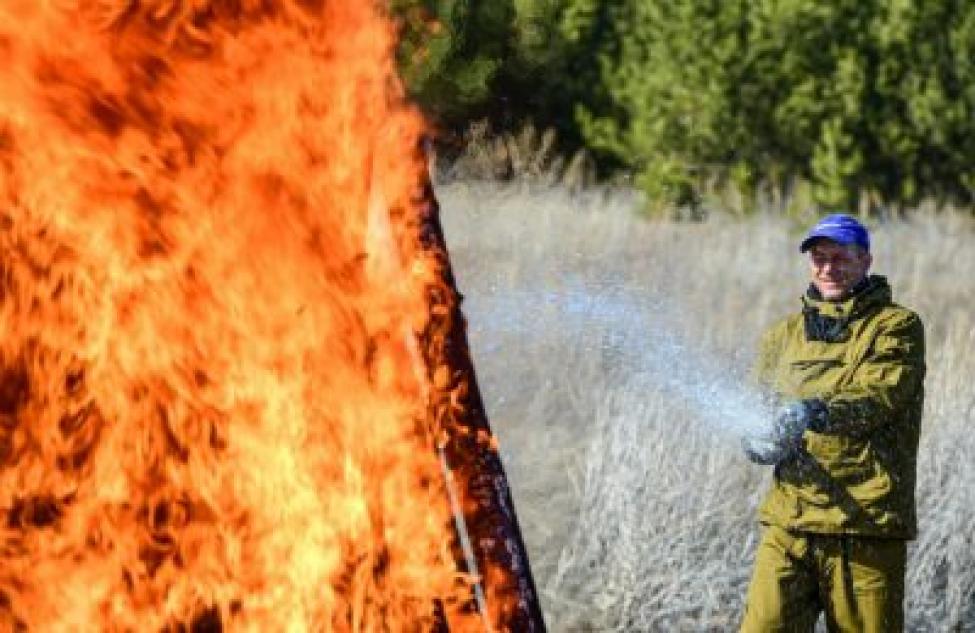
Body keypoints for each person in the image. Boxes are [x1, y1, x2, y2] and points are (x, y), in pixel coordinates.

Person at [740, 214, 926, 632]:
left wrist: (811, 412)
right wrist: (757, 440)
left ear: (866, 261)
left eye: (840, 258)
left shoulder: (897, 326)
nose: (829, 268)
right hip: (789, 524)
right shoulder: (781, 335)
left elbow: (878, 397)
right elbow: (758, 409)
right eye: (819, 259)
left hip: (866, 528)